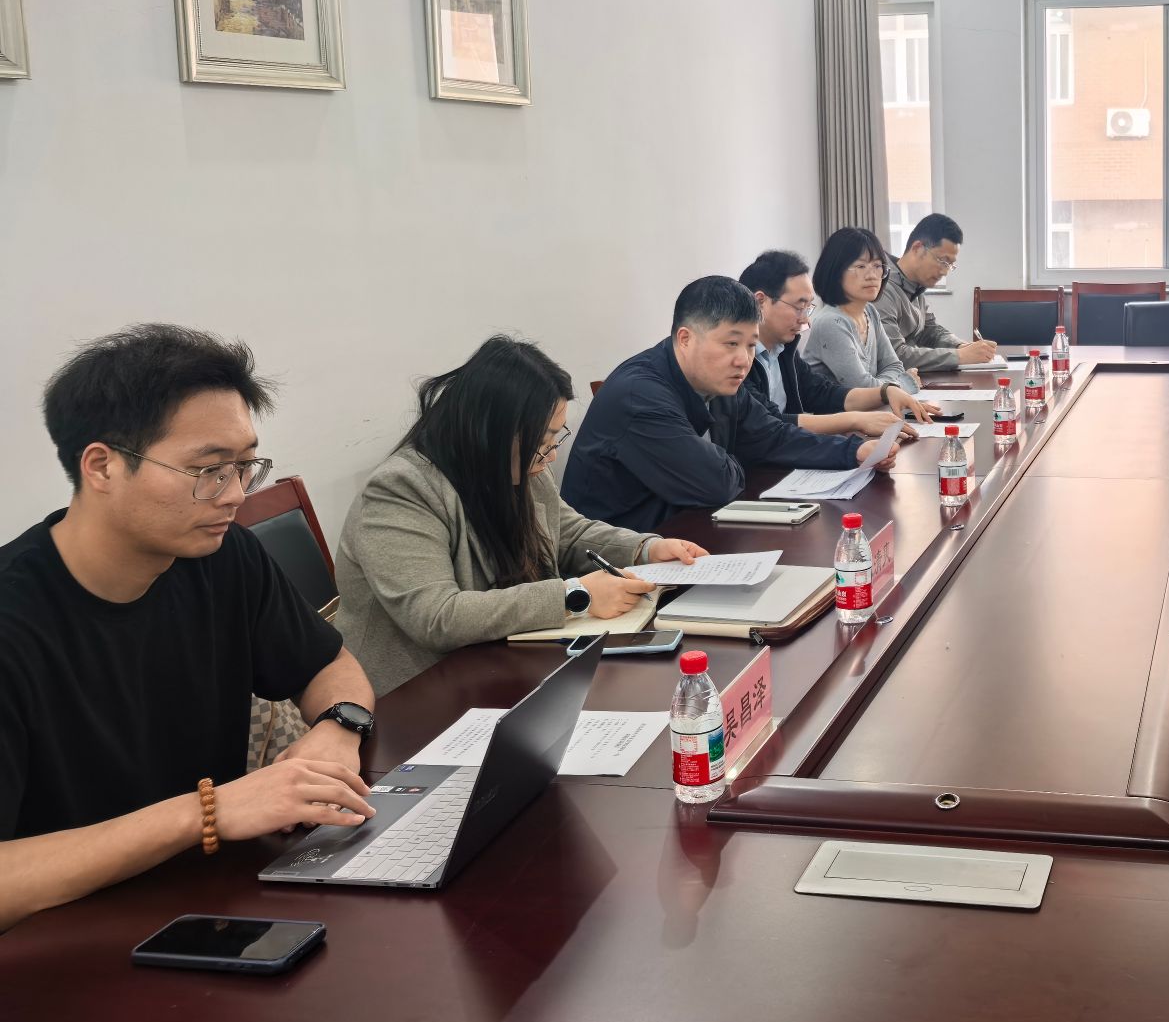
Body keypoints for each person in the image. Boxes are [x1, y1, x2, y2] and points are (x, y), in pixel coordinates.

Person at [0, 325, 378, 931]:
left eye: (245, 466)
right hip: (69, 940)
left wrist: (337, 731)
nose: (235, 495)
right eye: (208, 469)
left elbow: (328, 664)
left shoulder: (222, 555)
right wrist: (208, 813)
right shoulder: (16, 621)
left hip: (207, 903)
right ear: (101, 466)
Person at [334, 337, 711, 695]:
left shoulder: (518, 464)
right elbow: (436, 616)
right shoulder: (402, 489)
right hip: (416, 692)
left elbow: (567, 532)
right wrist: (575, 595)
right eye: (541, 441)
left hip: (501, 662)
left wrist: (646, 549)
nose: (551, 455)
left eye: (554, 438)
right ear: (489, 431)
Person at [563, 276, 899, 529]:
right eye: (731, 343)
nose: (743, 360)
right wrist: (740, 456)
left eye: (751, 345)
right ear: (685, 339)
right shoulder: (639, 396)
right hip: (621, 562)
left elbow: (772, 435)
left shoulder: (720, 381)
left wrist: (854, 451)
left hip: (689, 531)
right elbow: (716, 483)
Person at [739, 250, 930, 436]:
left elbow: (822, 393)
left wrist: (885, 392)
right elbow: (769, 422)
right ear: (760, 302)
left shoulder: (783, 350)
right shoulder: (739, 361)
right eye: (799, 306)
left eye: (808, 307)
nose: (806, 320)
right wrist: (856, 421)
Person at [801, 226, 923, 400]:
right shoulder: (831, 322)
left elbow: (894, 366)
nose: (872, 275)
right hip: (833, 416)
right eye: (860, 266)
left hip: (869, 412)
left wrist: (884, 386)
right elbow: (863, 388)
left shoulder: (870, 312)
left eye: (877, 266)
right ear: (836, 272)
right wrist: (905, 383)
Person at [874, 213, 1000, 374]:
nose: (945, 272)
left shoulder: (915, 285)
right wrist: (960, 356)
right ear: (917, 248)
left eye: (950, 265)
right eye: (943, 261)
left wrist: (961, 346)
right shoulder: (881, 288)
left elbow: (929, 330)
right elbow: (894, 355)